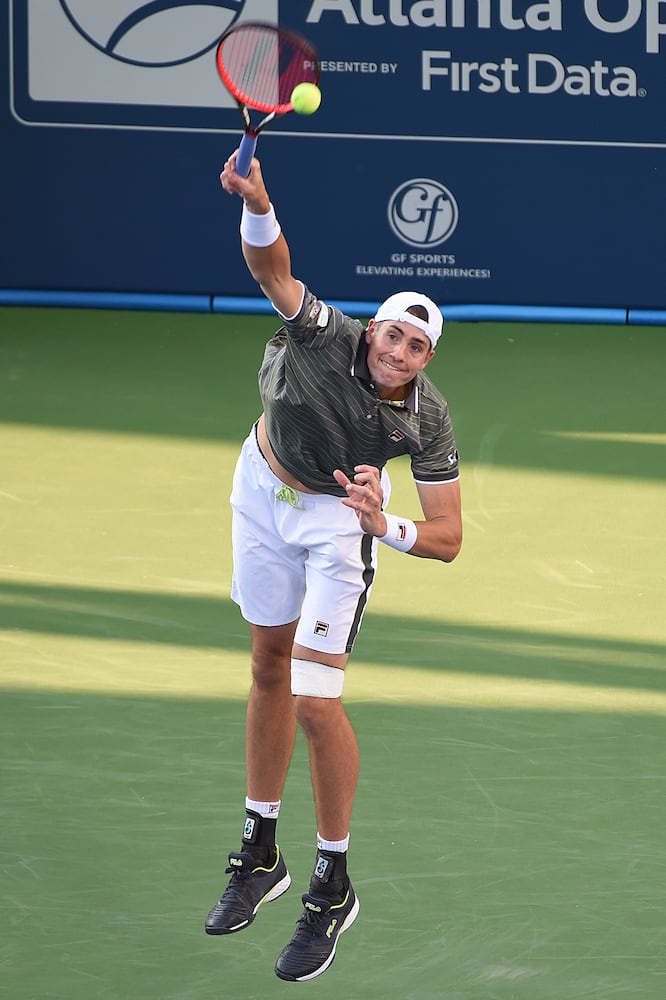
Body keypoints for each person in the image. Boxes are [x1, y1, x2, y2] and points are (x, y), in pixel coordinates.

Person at [205, 150, 463, 983]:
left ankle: (332, 883)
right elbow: (269, 266)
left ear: (425, 361)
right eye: (394, 333)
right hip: (260, 484)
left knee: (318, 703)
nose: (399, 352)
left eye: (417, 347)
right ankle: (259, 850)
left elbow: (450, 536)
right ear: (374, 328)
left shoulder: (426, 419)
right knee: (266, 665)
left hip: (337, 525)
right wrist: (258, 202)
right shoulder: (323, 332)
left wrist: (381, 523)